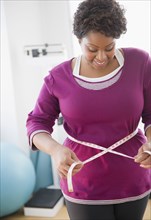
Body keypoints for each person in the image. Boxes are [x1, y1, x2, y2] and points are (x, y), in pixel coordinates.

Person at [26, 0, 151, 219]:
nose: (101, 57)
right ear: (79, 40)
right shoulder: (58, 77)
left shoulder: (140, 63)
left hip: (133, 178)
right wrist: (55, 150)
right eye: (92, 49)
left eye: (109, 47)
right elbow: (36, 122)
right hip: (83, 182)